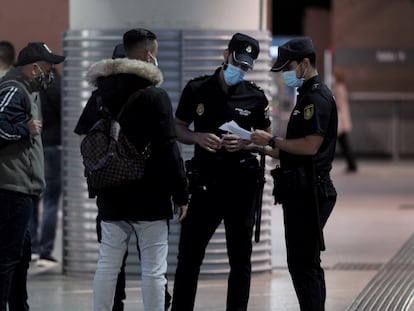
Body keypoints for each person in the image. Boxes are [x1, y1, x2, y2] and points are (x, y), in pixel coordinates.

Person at [81, 28, 189, 311]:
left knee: (107, 264)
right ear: (147, 54)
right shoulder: (155, 96)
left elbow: (88, 138)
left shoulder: (100, 95)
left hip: (111, 193)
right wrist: (181, 194)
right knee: (154, 269)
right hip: (150, 196)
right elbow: (168, 150)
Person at [171, 32, 271, 311]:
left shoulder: (256, 97)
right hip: (205, 186)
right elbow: (178, 128)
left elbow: (267, 140)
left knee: (240, 261)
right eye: (236, 63)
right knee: (189, 257)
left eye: (246, 67)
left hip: (242, 188)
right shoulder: (196, 89)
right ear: (226, 55)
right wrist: (199, 137)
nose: (240, 70)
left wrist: (245, 142)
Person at [251, 37, 338, 311]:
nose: (285, 74)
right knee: (305, 263)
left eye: (288, 67)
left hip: (311, 191)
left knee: (303, 264)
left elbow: (310, 146)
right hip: (301, 190)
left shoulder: (316, 98)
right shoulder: (306, 97)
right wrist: (257, 146)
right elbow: (293, 150)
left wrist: (272, 141)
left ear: (304, 63)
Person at [0, 42, 65, 311]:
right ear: (34, 67)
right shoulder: (14, 89)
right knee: (7, 257)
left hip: (22, 188)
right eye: (48, 68)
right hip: (10, 188)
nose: (51, 73)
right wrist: (25, 130)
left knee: (20, 256)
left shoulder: (28, 90)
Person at [29, 67, 63, 267]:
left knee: (33, 197)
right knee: (51, 199)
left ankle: (32, 246)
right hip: (53, 146)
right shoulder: (57, 86)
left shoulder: (32, 86)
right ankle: (45, 250)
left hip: (35, 145)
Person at [332, 67, 357, 173]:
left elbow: (339, 103)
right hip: (342, 118)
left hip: (340, 119)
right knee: (344, 143)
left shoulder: (339, 87)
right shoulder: (341, 87)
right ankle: (351, 164)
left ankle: (352, 164)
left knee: (344, 143)